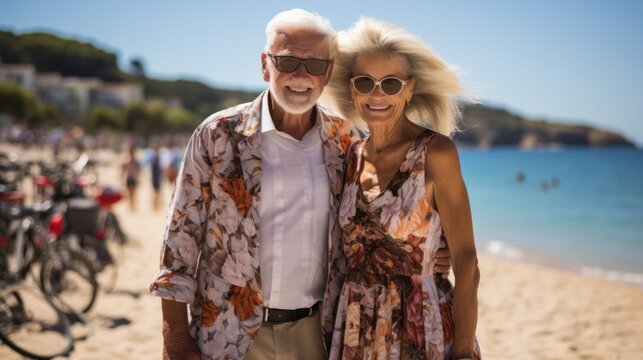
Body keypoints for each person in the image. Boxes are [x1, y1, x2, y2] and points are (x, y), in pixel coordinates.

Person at [149, 9, 451, 360]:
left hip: (318, 334)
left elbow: (374, 220)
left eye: (315, 65)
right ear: (266, 65)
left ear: (329, 72)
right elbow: (179, 241)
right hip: (230, 332)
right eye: (288, 61)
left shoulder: (345, 140)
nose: (301, 75)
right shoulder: (218, 135)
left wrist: (430, 252)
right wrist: (175, 338)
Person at [322, 17, 482, 359]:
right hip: (354, 325)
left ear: (409, 89)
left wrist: (465, 351)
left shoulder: (435, 153)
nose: (377, 94)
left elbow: (467, 260)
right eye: (365, 82)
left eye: (390, 84)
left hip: (422, 327)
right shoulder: (350, 155)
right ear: (352, 88)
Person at [121, 146, 140, 211]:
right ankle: (131, 206)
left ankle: (132, 206)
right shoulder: (127, 161)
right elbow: (122, 171)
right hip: (129, 178)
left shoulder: (134, 162)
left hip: (132, 178)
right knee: (130, 194)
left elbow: (138, 171)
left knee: (133, 194)